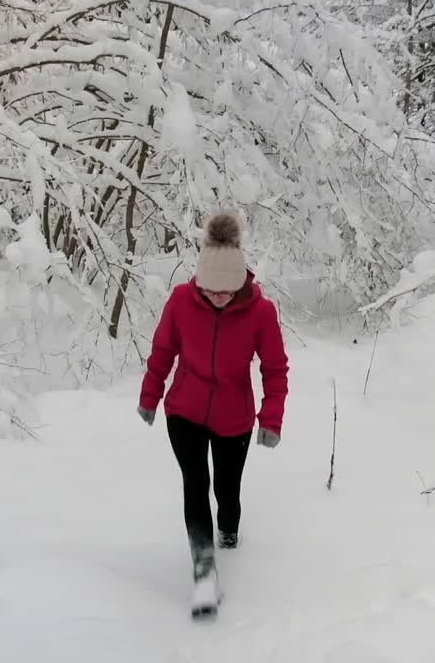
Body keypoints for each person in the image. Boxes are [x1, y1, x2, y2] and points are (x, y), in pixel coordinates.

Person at [136, 209, 289, 590]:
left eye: (227, 291)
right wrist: (150, 396)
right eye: (211, 291)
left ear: (240, 283)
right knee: (195, 482)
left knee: (226, 489)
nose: (219, 298)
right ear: (199, 283)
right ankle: (204, 569)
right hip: (184, 412)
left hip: (233, 418)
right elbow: (162, 351)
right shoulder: (181, 302)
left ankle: (229, 530)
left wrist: (270, 419)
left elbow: (274, 369)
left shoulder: (261, 312)